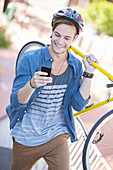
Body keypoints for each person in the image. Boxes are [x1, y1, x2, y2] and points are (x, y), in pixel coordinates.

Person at [6, 8, 98, 170]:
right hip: (26, 136)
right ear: (52, 31)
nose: (60, 42)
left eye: (67, 38)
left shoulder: (75, 65)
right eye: (57, 35)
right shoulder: (31, 59)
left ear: (75, 39)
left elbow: (78, 105)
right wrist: (32, 84)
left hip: (56, 134)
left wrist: (88, 74)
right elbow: (16, 102)